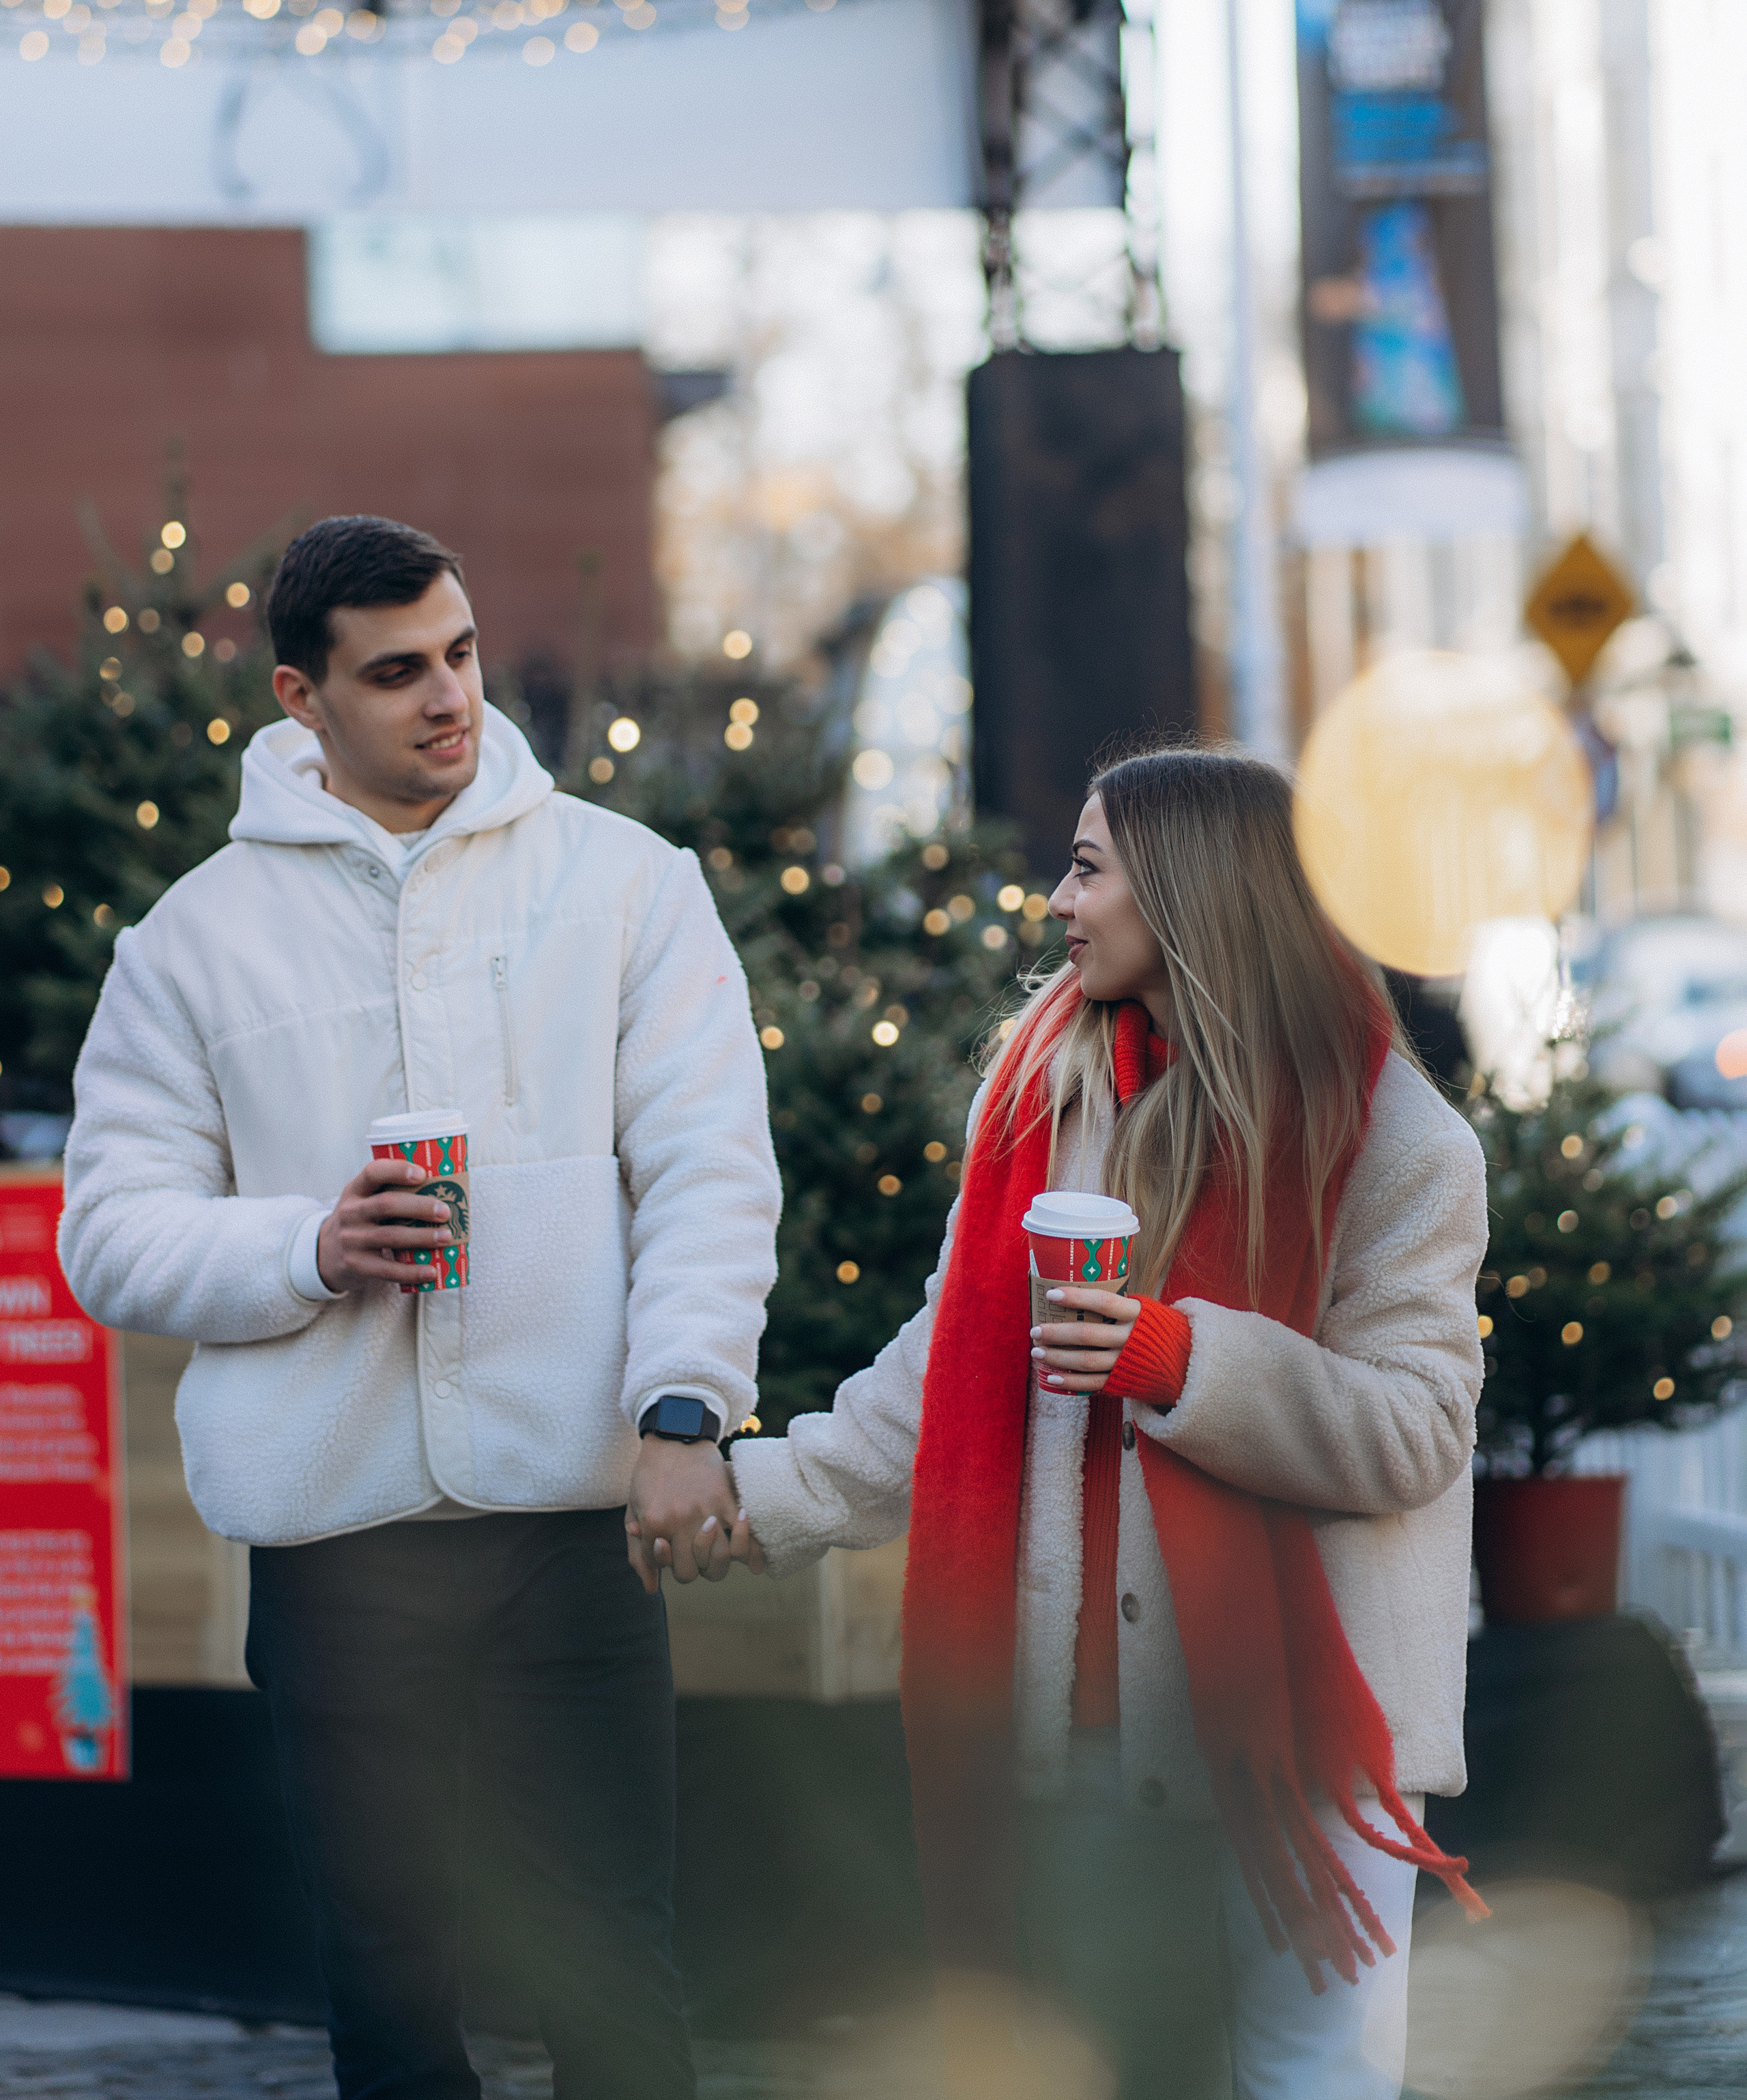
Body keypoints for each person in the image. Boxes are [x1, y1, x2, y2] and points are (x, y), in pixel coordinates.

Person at [60, 515, 778, 2100]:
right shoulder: (192, 942)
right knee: (385, 1979)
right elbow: (106, 1237)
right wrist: (307, 1250)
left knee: (613, 1961)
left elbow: (712, 1174)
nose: (449, 696)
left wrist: (685, 1411)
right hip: (337, 1538)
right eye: (397, 674)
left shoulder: (626, 885)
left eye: (457, 653)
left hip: (572, 1519)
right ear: (302, 699)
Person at [722, 748, 1489, 2100]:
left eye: (1086, 869)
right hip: (1072, 1729)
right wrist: (755, 1498)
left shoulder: (1397, 1140)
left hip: (1309, 1736)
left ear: (1192, 896)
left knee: (1313, 2084)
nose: (1056, 902)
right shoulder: (1038, 1096)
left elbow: (1414, 1431)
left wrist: (1177, 1357)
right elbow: (942, 1373)